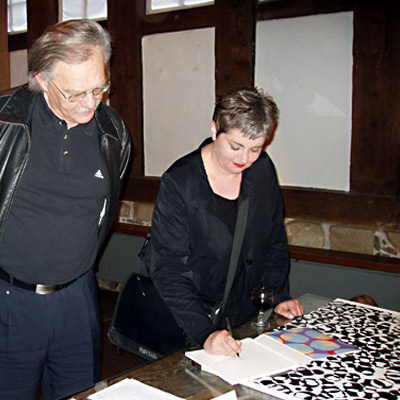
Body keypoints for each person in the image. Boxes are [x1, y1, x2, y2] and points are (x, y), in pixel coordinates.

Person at [0, 20, 131, 399]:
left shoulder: (113, 132)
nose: (91, 103)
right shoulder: (5, 124)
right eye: (76, 93)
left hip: (77, 300)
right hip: (11, 301)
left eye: (99, 88)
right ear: (41, 79)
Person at [147, 87, 303, 358]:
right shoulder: (180, 182)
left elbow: (274, 238)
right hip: (192, 319)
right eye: (235, 146)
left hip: (245, 314)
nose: (244, 159)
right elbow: (168, 268)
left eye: (256, 148)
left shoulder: (262, 169)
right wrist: (204, 333)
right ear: (214, 129)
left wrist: (279, 295)